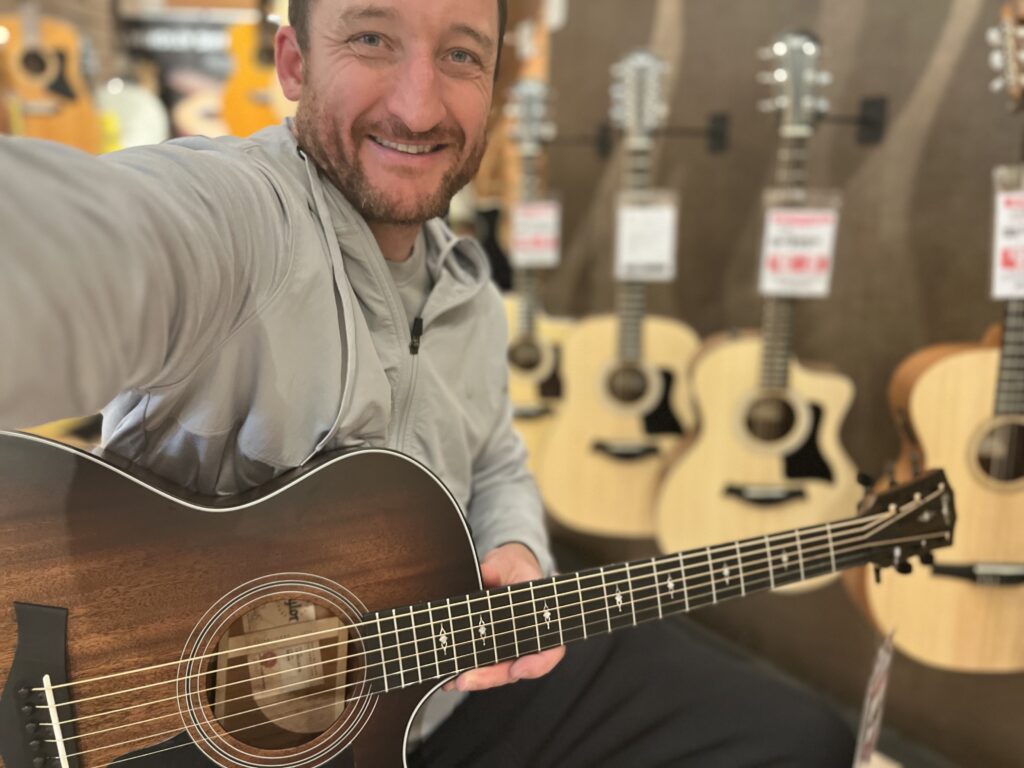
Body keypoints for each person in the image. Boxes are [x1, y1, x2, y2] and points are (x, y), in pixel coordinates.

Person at [0, 0, 855, 764]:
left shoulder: (469, 291)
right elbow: (67, 250)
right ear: (294, 62)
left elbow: (495, 459)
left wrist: (514, 547)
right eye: (372, 37)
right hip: (221, 739)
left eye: (461, 55)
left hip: (434, 690)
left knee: (795, 733)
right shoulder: (239, 222)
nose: (418, 105)